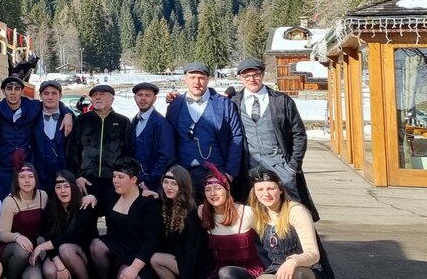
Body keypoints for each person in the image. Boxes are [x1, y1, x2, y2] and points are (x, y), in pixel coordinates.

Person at [247, 168, 337, 279]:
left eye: (270, 188)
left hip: (309, 271)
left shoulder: (296, 211)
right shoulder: (258, 214)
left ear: (280, 189)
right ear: (254, 192)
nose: (266, 194)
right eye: (260, 189)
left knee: (295, 272)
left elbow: (313, 254)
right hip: (277, 269)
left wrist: (293, 261)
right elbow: (231, 217)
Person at [232, 58, 318, 217]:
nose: (252, 79)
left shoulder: (281, 101)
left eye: (256, 75)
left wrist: (293, 166)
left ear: (263, 75)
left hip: (281, 166)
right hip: (250, 168)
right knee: (254, 213)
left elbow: (299, 134)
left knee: (293, 211)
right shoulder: (233, 103)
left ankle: (299, 241)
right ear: (240, 78)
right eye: (247, 76)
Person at [88, 157, 161, 279]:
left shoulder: (148, 202)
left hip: (139, 255)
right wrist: (103, 236)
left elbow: (151, 241)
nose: (115, 181)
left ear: (134, 179)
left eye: (121, 177)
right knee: (97, 245)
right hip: (117, 248)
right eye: (114, 176)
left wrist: (134, 268)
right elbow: (101, 217)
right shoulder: (111, 195)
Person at [198, 163, 264, 279]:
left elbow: (268, 237)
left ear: (227, 190)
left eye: (217, 188)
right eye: (208, 189)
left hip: (249, 271)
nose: (213, 193)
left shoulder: (246, 212)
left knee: (227, 273)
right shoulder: (203, 213)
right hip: (220, 272)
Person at [0, 75, 73, 201]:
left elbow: (54, 104)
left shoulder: (33, 107)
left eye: (17, 88)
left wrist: (68, 113)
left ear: (22, 91)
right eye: (9, 88)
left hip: (26, 165)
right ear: (3, 91)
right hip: (2, 166)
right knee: (3, 201)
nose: (13, 92)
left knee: (27, 202)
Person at [165, 63, 244, 197]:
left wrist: (229, 173)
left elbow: (236, 137)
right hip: (183, 174)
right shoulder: (174, 106)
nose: (197, 82)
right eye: (192, 77)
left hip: (216, 173)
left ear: (208, 79)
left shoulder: (224, 104)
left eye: (201, 78)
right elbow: (169, 139)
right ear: (185, 79)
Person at [34, 170, 100, 279]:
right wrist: (58, 263)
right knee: (50, 271)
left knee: (66, 248)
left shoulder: (85, 205)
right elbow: (48, 235)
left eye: (67, 186)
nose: (63, 191)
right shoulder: (51, 207)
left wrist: (42, 247)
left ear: (74, 187)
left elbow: (75, 235)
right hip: (61, 253)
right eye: (58, 187)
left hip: (84, 255)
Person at [149, 165, 208, 279]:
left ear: (183, 186)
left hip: (196, 268)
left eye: (174, 183)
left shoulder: (191, 213)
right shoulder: (167, 204)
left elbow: (192, 253)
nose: (168, 187)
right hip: (179, 262)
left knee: (156, 259)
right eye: (166, 182)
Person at [0, 156, 48, 279]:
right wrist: (18, 237)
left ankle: (18, 276)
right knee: (21, 250)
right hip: (9, 247)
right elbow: (2, 233)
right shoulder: (10, 201)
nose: (27, 181)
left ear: (36, 179)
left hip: (31, 246)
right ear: (16, 180)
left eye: (30, 177)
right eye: (22, 177)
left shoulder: (43, 197)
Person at [67, 84, 131, 200]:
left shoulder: (123, 121)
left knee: (114, 216)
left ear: (112, 99)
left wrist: (123, 176)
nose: (97, 97)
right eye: (94, 95)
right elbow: (72, 151)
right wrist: (77, 176)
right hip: (87, 180)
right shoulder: (82, 120)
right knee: (86, 215)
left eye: (102, 94)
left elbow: (128, 152)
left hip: (114, 180)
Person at [128, 82, 175, 194]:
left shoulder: (161, 123)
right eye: (140, 95)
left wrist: (150, 181)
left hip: (154, 184)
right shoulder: (135, 121)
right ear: (135, 98)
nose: (143, 98)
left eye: (147, 95)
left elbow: (166, 155)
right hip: (137, 181)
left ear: (154, 99)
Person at [31, 80, 71, 191]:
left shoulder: (69, 119)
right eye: (46, 93)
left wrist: (68, 113)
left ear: (60, 95)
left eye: (54, 93)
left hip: (63, 173)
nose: (50, 97)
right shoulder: (32, 116)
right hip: (38, 173)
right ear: (40, 96)